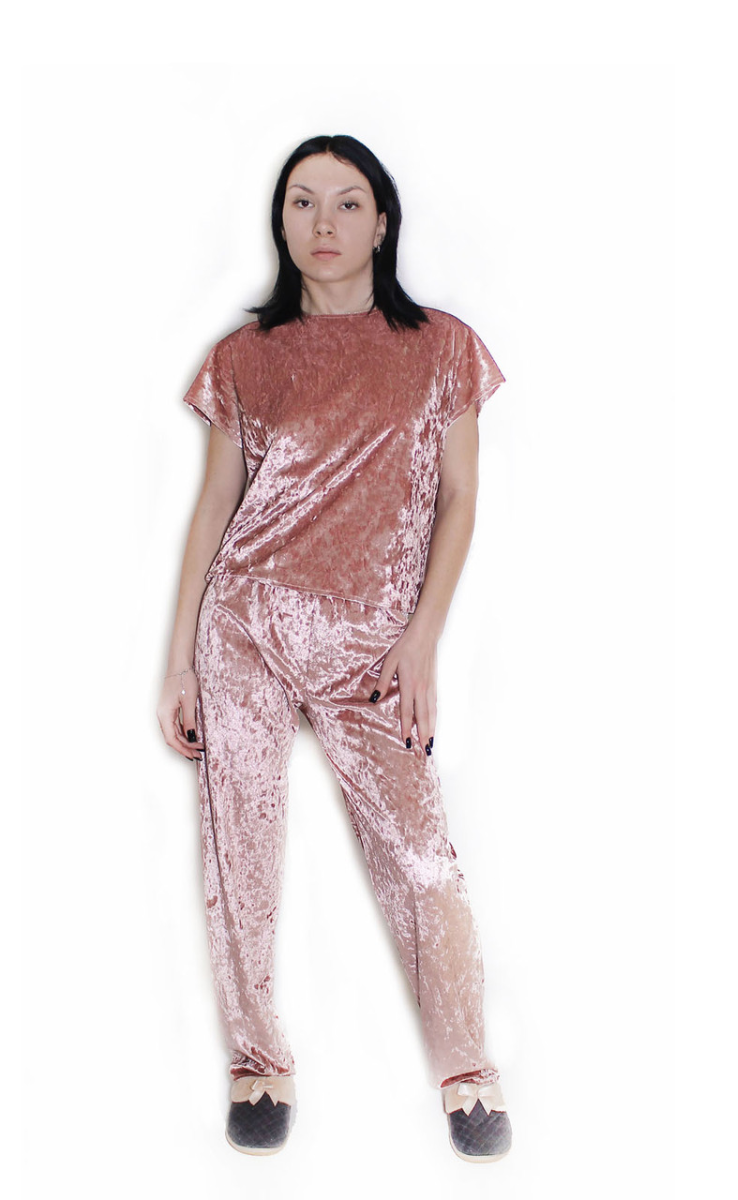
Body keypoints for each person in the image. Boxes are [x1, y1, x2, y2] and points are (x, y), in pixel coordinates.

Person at [157, 134, 512, 1162]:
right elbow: (213, 509)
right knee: (242, 844)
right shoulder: (245, 357)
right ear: (281, 221)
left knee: (424, 861)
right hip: (247, 624)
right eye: (302, 202)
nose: (324, 223)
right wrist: (181, 660)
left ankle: (469, 1074)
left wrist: (423, 641)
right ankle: (257, 1062)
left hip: (375, 647)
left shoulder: (441, 347)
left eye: (348, 203)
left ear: (383, 222)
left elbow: (459, 500)